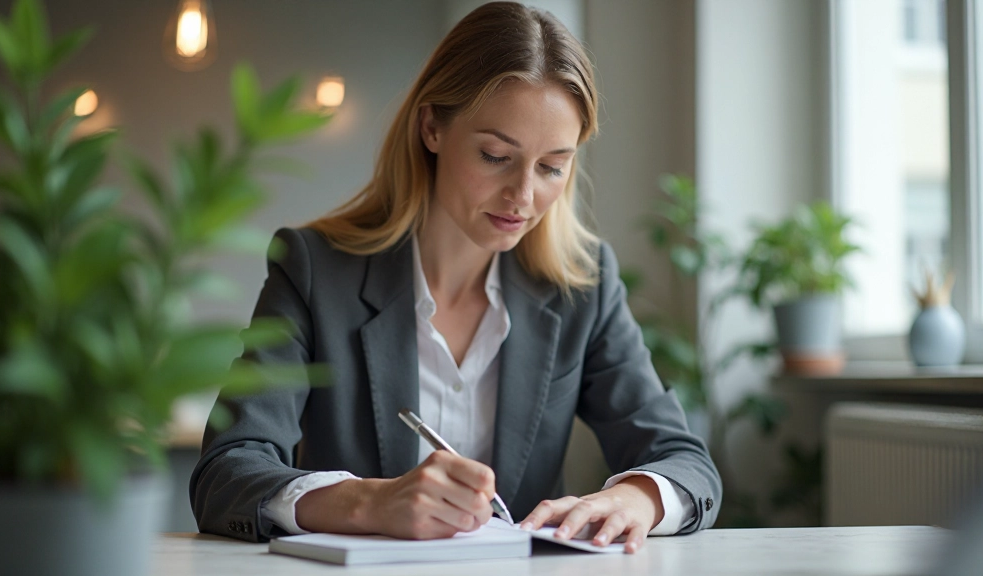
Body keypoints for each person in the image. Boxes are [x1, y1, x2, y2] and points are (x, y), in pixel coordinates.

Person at [190, 1, 721, 553]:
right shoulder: (314, 270)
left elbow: (686, 463)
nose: (523, 196)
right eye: (496, 155)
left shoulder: (582, 289)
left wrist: (637, 497)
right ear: (431, 128)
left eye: (552, 166)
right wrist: (370, 502)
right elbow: (226, 473)